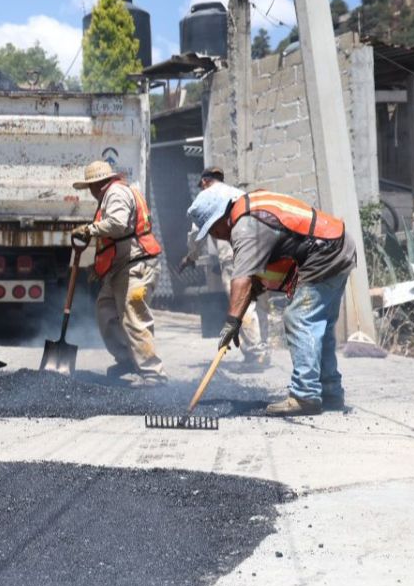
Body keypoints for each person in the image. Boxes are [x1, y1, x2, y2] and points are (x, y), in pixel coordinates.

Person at [187, 186, 357, 416]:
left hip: (325, 253)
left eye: (212, 230)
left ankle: (305, 395)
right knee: (320, 324)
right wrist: (243, 309)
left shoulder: (245, 225)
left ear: (220, 218)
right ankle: (330, 391)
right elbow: (256, 278)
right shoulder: (251, 209)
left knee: (299, 317)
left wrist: (231, 324)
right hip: (337, 245)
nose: (216, 236)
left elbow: (242, 280)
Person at [70, 161, 167, 386]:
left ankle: (153, 374)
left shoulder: (116, 193)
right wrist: (99, 267)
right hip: (121, 267)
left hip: (136, 266)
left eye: (90, 187)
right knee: (105, 311)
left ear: (98, 184)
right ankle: (127, 360)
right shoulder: (112, 194)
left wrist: (88, 229)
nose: (90, 192)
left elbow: (117, 225)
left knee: (134, 317)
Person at [180, 167, 271, 368]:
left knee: (242, 301)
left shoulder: (207, 198)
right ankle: (264, 349)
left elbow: (197, 232)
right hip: (260, 252)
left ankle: (255, 354)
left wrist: (191, 256)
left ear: (204, 181)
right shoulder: (239, 194)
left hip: (234, 256)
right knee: (261, 302)